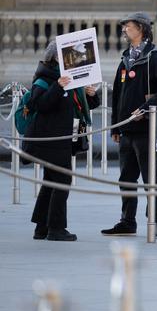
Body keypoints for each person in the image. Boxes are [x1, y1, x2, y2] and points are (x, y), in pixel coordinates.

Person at [101, 12, 157, 237]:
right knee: (126, 178)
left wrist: (145, 108)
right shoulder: (125, 58)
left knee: (151, 177)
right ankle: (127, 221)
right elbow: (118, 94)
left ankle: (155, 221)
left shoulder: (154, 57)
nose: (124, 30)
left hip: (146, 129)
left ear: (141, 28)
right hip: (127, 129)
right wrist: (115, 126)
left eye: (128, 26)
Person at [23, 42, 100, 241]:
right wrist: (58, 86)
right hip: (51, 138)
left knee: (51, 180)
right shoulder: (45, 78)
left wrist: (92, 94)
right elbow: (41, 104)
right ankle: (56, 228)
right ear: (57, 58)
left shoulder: (69, 77)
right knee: (62, 180)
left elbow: (82, 105)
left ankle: (41, 227)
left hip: (64, 137)